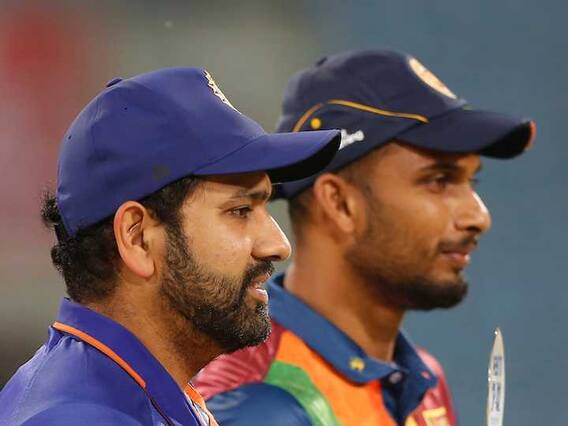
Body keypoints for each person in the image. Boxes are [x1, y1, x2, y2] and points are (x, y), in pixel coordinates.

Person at [194, 49, 536, 425]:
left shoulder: (424, 378)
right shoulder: (253, 405)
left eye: (472, 181)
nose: (479, 216)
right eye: (439, 181)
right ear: (339, 204)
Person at [0, 67, 340, 425]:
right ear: (137, 238)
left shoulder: (130, 392)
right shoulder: (79, 418)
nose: (278, 245)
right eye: (240, 211)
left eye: (264, 207)